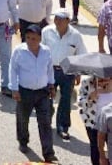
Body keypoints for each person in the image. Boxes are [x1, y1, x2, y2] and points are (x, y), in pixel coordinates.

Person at [9, 24, 57, 162]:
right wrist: (14, 89)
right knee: (23, 119)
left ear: (40, 39)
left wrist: (52, 85)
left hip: (42, 92)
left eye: (34, 38)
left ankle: (48, 153)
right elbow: (13, 70)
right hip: (25, 92)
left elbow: (49, 70)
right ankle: (23, 141)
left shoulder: (46, 51)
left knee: (45, 122)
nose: (31, 41)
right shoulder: (19, 51)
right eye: (28, 38)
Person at [43, 9, 86, 141]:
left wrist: (78, 73)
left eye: (61, 19)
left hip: (68, 72)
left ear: (68, 20)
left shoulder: (76, 36)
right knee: (46, 98)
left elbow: (81, 55)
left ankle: (63, 127)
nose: (57, 21)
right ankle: (45, 123)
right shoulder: (46, 31)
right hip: (50, 70)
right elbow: (41, 50)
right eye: (56, 18)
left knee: (66, 100)